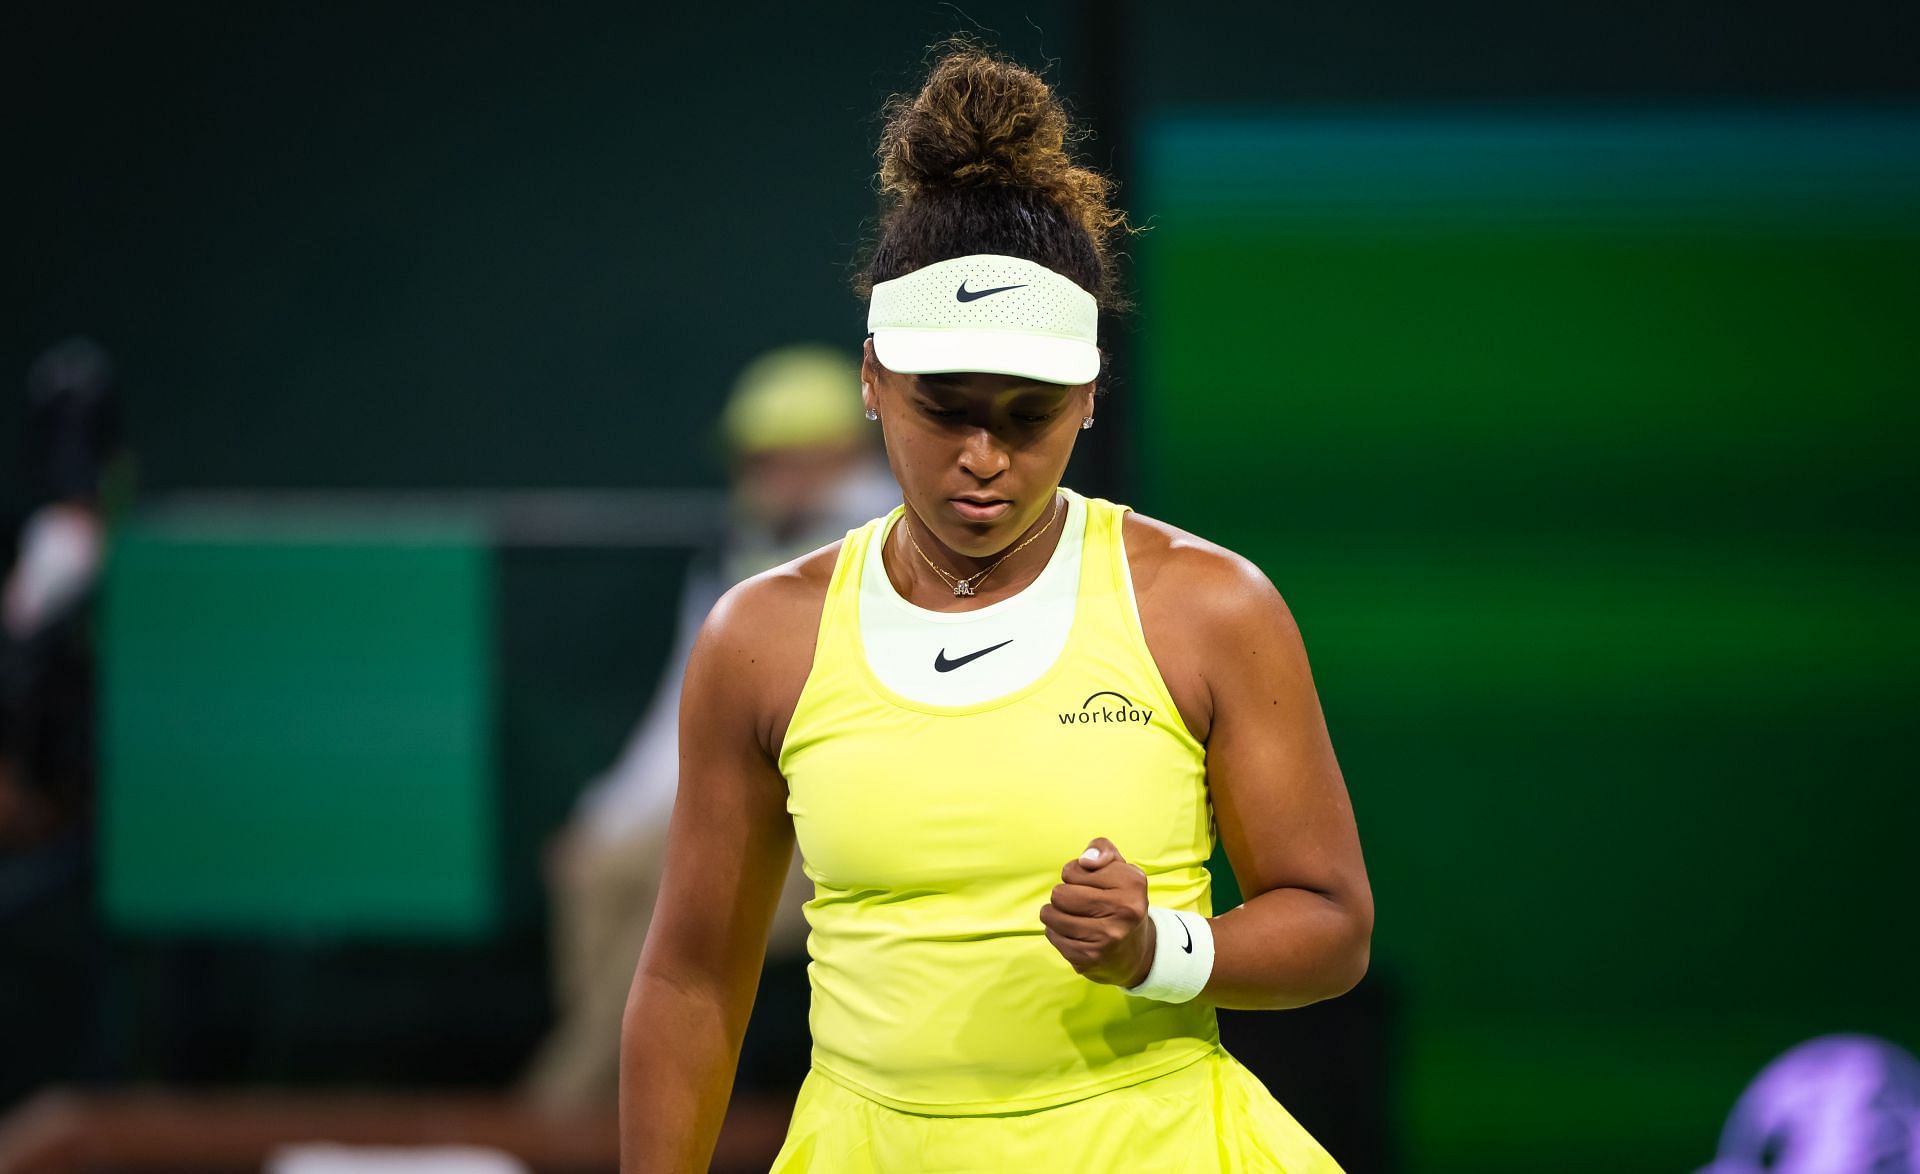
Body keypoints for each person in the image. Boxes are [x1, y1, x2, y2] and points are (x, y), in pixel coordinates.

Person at [620, 45, 1373, 1172]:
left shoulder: (1210, 608)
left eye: (1028, 415)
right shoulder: (761, 638)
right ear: (872, 379)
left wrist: (1157, 949)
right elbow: (688, 977)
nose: (984, 458)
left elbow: (1331, 923)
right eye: (945, 409)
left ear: (1088, 399)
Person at [520, 344, 895, 1109]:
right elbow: (680, 713)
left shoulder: (899, 540)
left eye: (787, 458)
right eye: (756, 459)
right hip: (744, 802)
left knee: (672, 903)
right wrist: (606, 821)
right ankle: (631, 1100)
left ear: (842, 453)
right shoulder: (738, 554)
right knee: (595, 868)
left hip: (843, 824)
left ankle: (570, 1110)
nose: (766, 477)